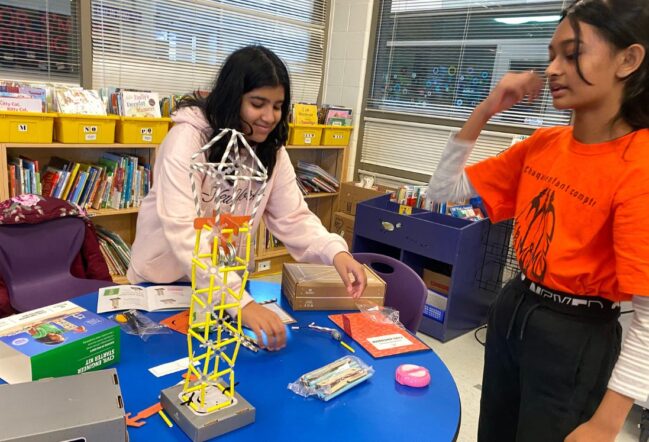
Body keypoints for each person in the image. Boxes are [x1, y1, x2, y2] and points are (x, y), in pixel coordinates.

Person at [426, 0, 649, 440]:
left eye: (572, 53)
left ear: (629, 59)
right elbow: (443, 191)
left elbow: (648, 316)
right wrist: (487, 108)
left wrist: (605, 423)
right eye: (551, 55)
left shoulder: (638, 165)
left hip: (576, 334)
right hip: (515, 308)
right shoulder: (545, 143)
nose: (551, 69)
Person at [127, 45, 367, 352]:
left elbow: (293, 216)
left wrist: (336, 252)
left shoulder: (271, 150)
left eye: (278, 106)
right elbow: (184, 232)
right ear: (233, 97)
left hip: (223, 287)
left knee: (225, 369)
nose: (269, 117)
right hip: (163, 284)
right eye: (258, 103)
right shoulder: (187, 140)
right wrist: (239, 303)